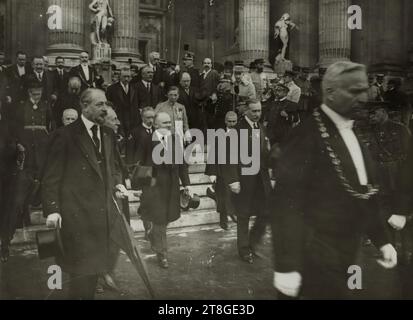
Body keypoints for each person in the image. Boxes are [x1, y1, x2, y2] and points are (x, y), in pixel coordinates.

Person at [270, 61, 397, 300]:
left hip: (345, 255)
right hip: (311, 259)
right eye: (354, 91)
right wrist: (286, 266)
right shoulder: (305, 135)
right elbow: (285, 204)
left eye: (364, 89)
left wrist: (382, 240)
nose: (364, 97)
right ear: (330, 93)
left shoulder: (353, 134)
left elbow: (363, 193)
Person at [42, 88, 126, 299]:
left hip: (103, 219)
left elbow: (111, 167)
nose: (105, 109)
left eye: (106, 104)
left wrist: (117, 184)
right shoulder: (64, 136)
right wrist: (52, 209)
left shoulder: (107, 134)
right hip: (77, 220)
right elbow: (51, 177)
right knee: (81, 281)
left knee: (92, 275)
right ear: (84, 105)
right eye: (99, 105)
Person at [138, 112, 191, 268]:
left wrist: (186, 183)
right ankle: (162, 254)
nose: (169, 125)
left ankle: (153, 233)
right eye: (165, 123)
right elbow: (141, 165)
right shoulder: (147, 141)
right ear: (155, 125)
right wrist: (144, 189)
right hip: (155, 189)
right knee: (160, 220)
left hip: (172, 187)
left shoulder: (174, 139)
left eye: (170, 122)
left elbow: (182, 163)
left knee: (167, 218)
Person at [226, 100, 272, 264]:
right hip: (244, 179)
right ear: (246, 112)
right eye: (253, 111)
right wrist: (233, 180)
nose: (257, 114)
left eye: (259, 110)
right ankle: (244, 250)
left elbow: (264, 152)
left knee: (265, 212)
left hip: (261, 179)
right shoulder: (237, 131)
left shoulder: (261, 127)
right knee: (243, 215)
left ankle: (252, 243)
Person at [14, 79, 54, 226]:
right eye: (35, 93)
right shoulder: (21, 107)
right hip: (26, 145)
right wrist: (18, 143)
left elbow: (51, 125)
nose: (38, 96)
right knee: (26, 175)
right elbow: (16, 127)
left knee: (41, 173)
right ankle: (24, 212)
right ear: (29, 92)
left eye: (40, 93)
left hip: (42, 144)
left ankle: (39, 202)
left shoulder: (45, 106)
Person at [205, 111, 238, 230]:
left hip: (235, 170)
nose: (232, 123)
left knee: (233, 195)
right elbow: (213, 154)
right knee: (224, 196)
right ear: (225, 121)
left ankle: (232, 213)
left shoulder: (242, 134)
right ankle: (224, 221)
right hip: (223, 170)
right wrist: (213, 172)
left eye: (234, 121)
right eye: (230, 121)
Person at [106, 68, 139, 137]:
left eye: (128, 77)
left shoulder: (135, 88)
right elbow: (108, 104)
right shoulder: (111, 89)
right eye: (124, 76)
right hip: (119, 118)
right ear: (120, 77)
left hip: (132, 119)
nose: (126, 79)